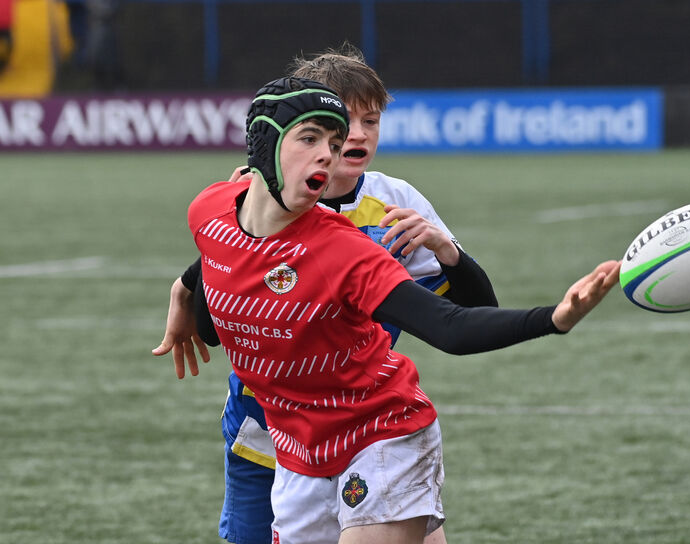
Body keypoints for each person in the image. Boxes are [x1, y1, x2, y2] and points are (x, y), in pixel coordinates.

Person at [157, 75, 620, 544]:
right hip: (290, 444)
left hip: (379, 429)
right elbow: (226, 254)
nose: (334, 150)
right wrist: (185, 289)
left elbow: (451, 325)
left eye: (339, 139)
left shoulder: (347, 246)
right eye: (312, 138)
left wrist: (554, 318)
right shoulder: (212, 209)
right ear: (263, 146)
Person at [154, 46, 496, 544]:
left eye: (370, 120)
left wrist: (447, 250)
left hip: (359, 422)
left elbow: (473, 313)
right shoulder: (258, 193)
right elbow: (218, 319)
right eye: (342, 120)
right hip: (264, 426)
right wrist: (190, 285)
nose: (357, 134)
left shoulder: (395, 204)